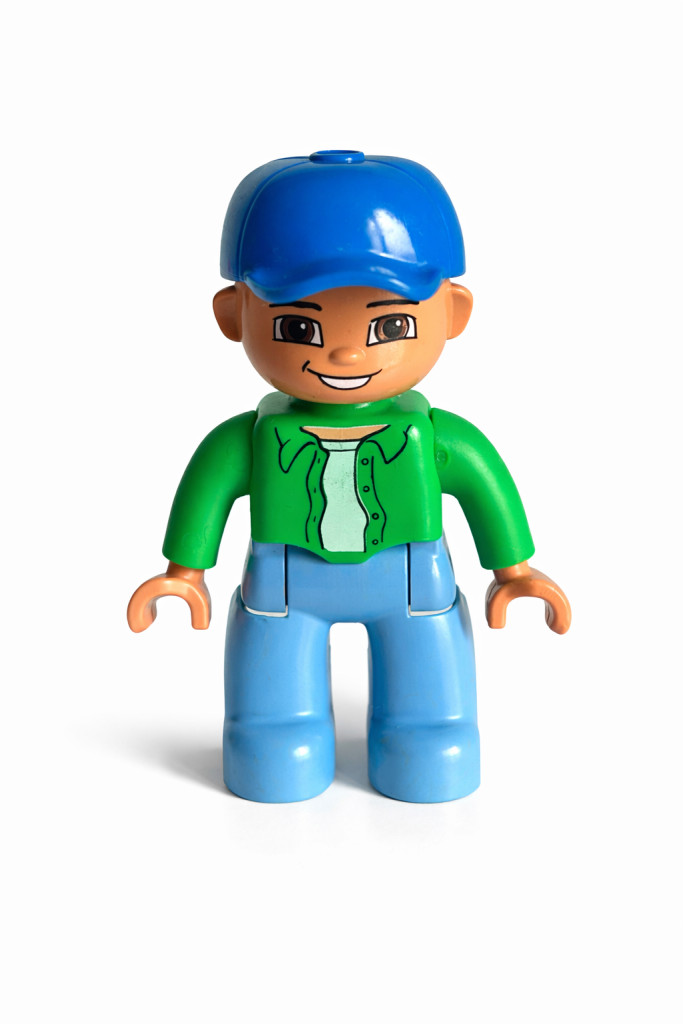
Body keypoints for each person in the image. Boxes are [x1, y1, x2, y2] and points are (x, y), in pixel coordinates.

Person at [128, 150, 571, 804]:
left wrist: (514, 570)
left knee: (429, 686)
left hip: (412, 580)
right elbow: (208, 489)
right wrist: (184, 572)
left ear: (453, 313)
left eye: (389, 324)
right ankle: (273, 732)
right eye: (297, 326)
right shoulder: (248, 439)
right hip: (284, 584)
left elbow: (484, 485)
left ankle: (428, 731)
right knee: (272, 703)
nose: (345, 352)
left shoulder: (436, 437)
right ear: (233, 314)